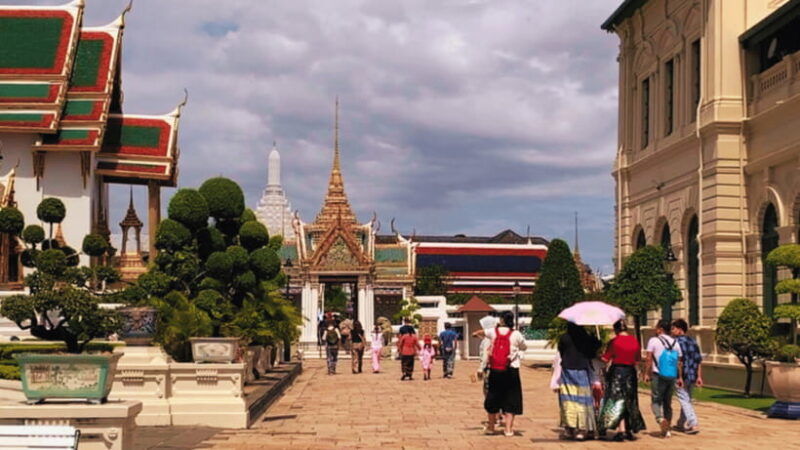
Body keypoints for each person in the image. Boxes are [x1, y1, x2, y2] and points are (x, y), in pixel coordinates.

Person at [474, 310, 527, 437]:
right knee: (511, 397)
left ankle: (491, 427)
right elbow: (524, 347)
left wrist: (479, 335)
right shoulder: (516, 334)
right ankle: (508, 429)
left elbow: (477, 333)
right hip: (511, 369)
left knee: (493, 396)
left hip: (495, 369)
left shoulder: (492, 331)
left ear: (501, 320)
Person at [598, 320, 646, 441]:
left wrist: (599, 355)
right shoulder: (634, 341)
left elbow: (605, 359)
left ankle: (621, 429)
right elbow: (637, 359)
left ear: (616, 330)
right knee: (630, 400)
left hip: (617, 372)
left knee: (617, 400)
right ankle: (629, 428)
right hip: (630, 373)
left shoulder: (614, 342)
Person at [557, 322, 601, 441]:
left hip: (567, 370)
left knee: (568, 400)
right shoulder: (586, 337)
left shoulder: (565, 338)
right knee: (583, 400)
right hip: (582, 370)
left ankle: (570, 428)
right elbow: (593, 352)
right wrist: (596, 340)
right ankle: (584, 428)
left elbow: (561, 351)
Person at [644, 319, 684, 438]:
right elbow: (679, 362)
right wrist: (680, 377)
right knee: (667, 402)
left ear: (660, 329)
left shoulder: (654, 340)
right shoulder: (675, 343)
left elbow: (648, 358)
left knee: (656, 400)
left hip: (658, 374)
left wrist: (647, 373)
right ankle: (667, 430)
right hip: (671, 376)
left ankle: (660, 419)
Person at [671, 318, 703, 435]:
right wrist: (699, 376)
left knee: (684, 399)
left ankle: (693, 423)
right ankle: (681, 423)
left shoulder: (676, 343)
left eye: (674, 329)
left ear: (680, 330)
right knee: (687, 399)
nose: (672, 331)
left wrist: (679, 377)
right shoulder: (693, 342)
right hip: (692, 375)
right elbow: (698, 360)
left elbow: (679, 361)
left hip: (682, 375)